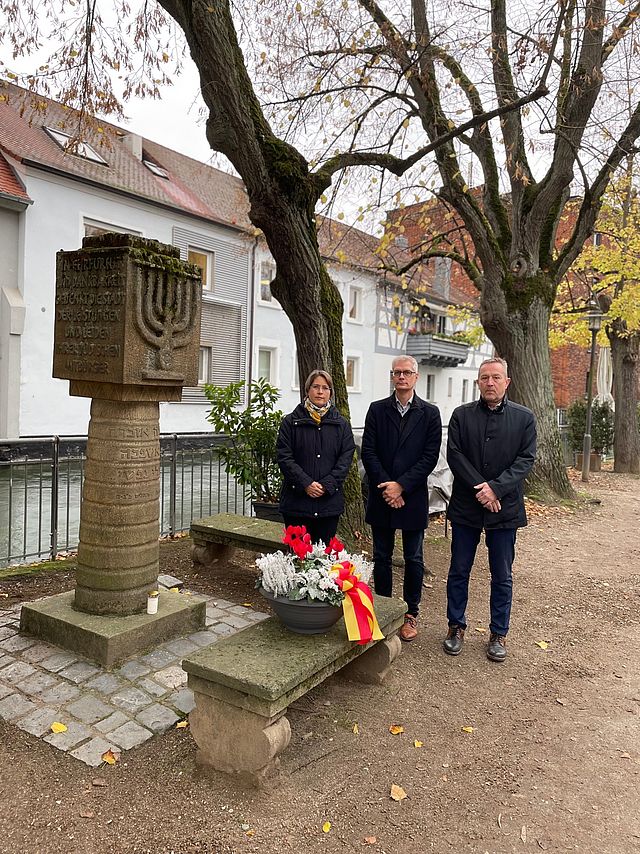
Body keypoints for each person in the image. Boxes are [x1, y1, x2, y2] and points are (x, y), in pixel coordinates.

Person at [442, 357, 536, 663]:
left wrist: (496, 488)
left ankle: (499, 633)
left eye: (496, 377)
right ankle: (455, 626)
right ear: (478, 382)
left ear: (507, 382)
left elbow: (525, 459)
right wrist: (482, 488)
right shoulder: (461, 415)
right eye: (484, 378)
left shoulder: (524, 418)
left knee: (502, 574)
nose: (490, 383)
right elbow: (455, 455)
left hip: (504, 507)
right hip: (467, 505)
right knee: (459, 569)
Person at [361, 355, 442, 642]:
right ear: (392, 377)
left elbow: (429, 456)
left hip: (413, 496)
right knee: (381, 556)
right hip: (383, 494)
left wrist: (402, 486)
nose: (401, 377)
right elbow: (368, 452)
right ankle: (383, 609)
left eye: (407, 372)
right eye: (396, 372)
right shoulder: (377, 410)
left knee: (413, 557)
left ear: (416, 377)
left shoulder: (430, 413)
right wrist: (387, 487)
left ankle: (410, 613)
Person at [276, 369, 356, 544]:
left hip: (328, 503)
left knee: (324, 560)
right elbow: (284, 456)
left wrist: (326, 485)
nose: (320, 392)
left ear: (330, 393)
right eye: (316, 387)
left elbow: (346, 458)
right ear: (307, 390)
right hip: (297, 503)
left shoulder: (341, 424)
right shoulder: (290, 422)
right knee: (297, 559)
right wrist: (306, 484)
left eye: (325, 388)